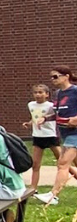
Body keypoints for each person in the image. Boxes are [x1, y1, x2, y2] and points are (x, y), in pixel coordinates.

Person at [36, 66, 77, 205]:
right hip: (65, 133)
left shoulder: (75, 91)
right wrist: (45, 118)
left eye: (55, 76)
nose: (52, 79)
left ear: (66, 76)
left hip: (75, 134)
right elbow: (59, 113)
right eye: (51, 77)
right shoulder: (59, 93)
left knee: (63, 163)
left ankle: (53, 196)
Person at [22, 83, 60, 193]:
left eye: (40, 92)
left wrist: (45, 119)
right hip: (38, 136)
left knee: (62, 161)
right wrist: (29, 123)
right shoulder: (31, 105)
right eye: (35, 92)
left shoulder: (50, 106)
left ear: (47, 94)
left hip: (50, 135)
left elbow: (55, 117)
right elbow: (35, 117)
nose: (38, 95)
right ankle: (33, 188)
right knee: (35, 164)